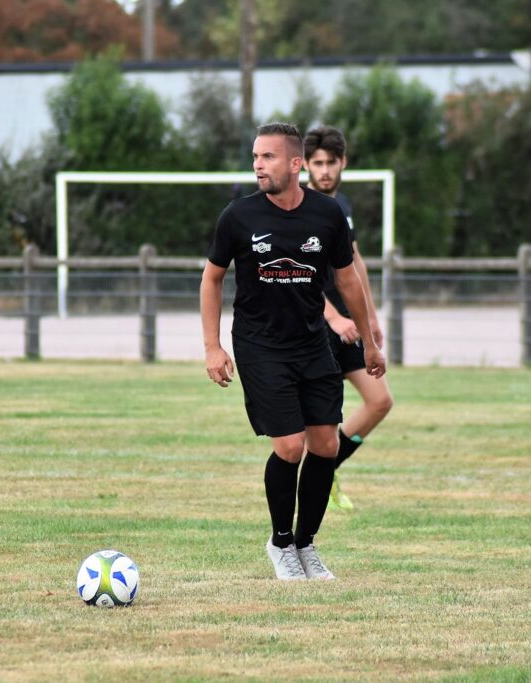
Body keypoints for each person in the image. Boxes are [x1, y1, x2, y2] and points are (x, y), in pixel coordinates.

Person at [200, 122, 386, 581]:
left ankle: (306, 545)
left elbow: (348, 280)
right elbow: (212, 278)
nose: (258, 165)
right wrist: (212, 346)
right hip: (261, 347)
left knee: (324, 445)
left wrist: (368, 340)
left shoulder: (326, 215)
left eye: (267, 157)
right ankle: (280, 543)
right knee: (289, 446)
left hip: (312, 344)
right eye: (255, 157)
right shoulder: (238, 216)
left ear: (295, 164)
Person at [303, 126, 394, 512]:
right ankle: (315, 479)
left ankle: (327, 468)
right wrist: (335, 317)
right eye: (317, 163)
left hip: (349, 323)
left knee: (380, 401)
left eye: (331, 163)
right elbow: (301, 275)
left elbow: (354, 261)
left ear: (343, 163)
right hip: (315, 323)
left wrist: (370, 316)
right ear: (304, 165)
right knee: (316, 419)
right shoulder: (301, 207)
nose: (324, 171)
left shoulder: (342, 206)